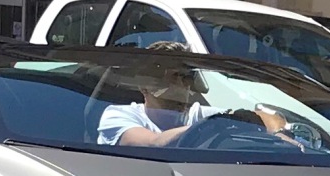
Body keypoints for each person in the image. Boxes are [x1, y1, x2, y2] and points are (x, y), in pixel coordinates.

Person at [97, 41, 291, 147]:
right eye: (174, 77)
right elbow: (154, 143)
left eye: (187, 77)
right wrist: (214, 126)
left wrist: (280, 135)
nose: (184, 86)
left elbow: (266, 118)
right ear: (145, 86)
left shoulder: (197, 115)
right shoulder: (118, 115)